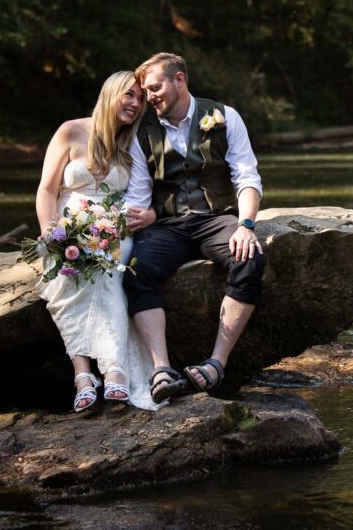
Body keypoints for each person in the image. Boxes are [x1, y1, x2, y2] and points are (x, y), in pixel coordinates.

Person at [122, 52, 266, 403]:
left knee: (250, 259)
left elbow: (246, 177)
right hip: (169, 226)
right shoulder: (144, 131)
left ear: (180, 80)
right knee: (136, 271)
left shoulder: (224, 116)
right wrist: (134, 216)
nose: (150, 96)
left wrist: (246, 225)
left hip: (216, 219)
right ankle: (161, 369)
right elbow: (140, 193)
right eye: (146, 91)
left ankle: (217, 363)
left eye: (155, 87)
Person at [34, 71, 160, 413]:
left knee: (110, 274)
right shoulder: (70, 131)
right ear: (110, 94)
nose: (135, 104)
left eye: (140, 99)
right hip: (67, 225)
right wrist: (50, 233)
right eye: (129, 95)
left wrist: (149, 216)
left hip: (117, 228)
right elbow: (47, 189)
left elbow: (152, 195)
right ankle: (83, 376)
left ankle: (115, 368)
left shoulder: (133, 143)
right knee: (68, 274)